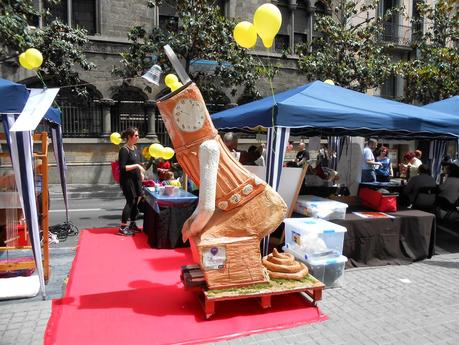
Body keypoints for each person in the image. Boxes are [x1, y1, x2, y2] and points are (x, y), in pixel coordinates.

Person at [118, 127, 145, 236]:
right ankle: (122, 227)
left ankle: (132, 224)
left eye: (138, 135)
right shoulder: (124, 150)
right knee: (130, 202)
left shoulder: (135, 148)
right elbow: (123, 167)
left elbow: (138, 164)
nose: (138, 137)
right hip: (127, 180)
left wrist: (141, 173)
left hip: (136, 180)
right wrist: (137, 165)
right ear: (129, 137)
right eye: (136, 135)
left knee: (136, 203)